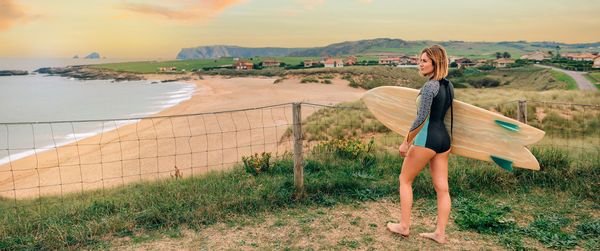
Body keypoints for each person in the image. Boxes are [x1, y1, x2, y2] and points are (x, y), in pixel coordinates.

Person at [386, 44, 454, 244]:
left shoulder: (430, 86)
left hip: (426, 139)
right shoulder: (448, 85)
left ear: (436, 62)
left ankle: (404, 226)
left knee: (405, 180)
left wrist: (406, 142)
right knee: (442, 189)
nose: (420, 64)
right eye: (420, 60)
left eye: (424, 60)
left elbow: (421, 118)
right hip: (443, 141)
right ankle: (440, 233)